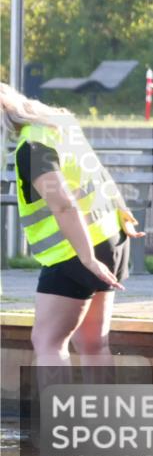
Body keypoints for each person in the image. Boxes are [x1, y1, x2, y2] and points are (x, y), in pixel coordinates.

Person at [1, 83, 144, 372]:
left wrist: (87, 258)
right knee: (92, 343)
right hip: (110, 236)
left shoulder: (33, 146)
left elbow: (63, 204)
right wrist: (121, 207)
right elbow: (97, 169)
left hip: (74, 252)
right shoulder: (59, 124)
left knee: (48, 342)